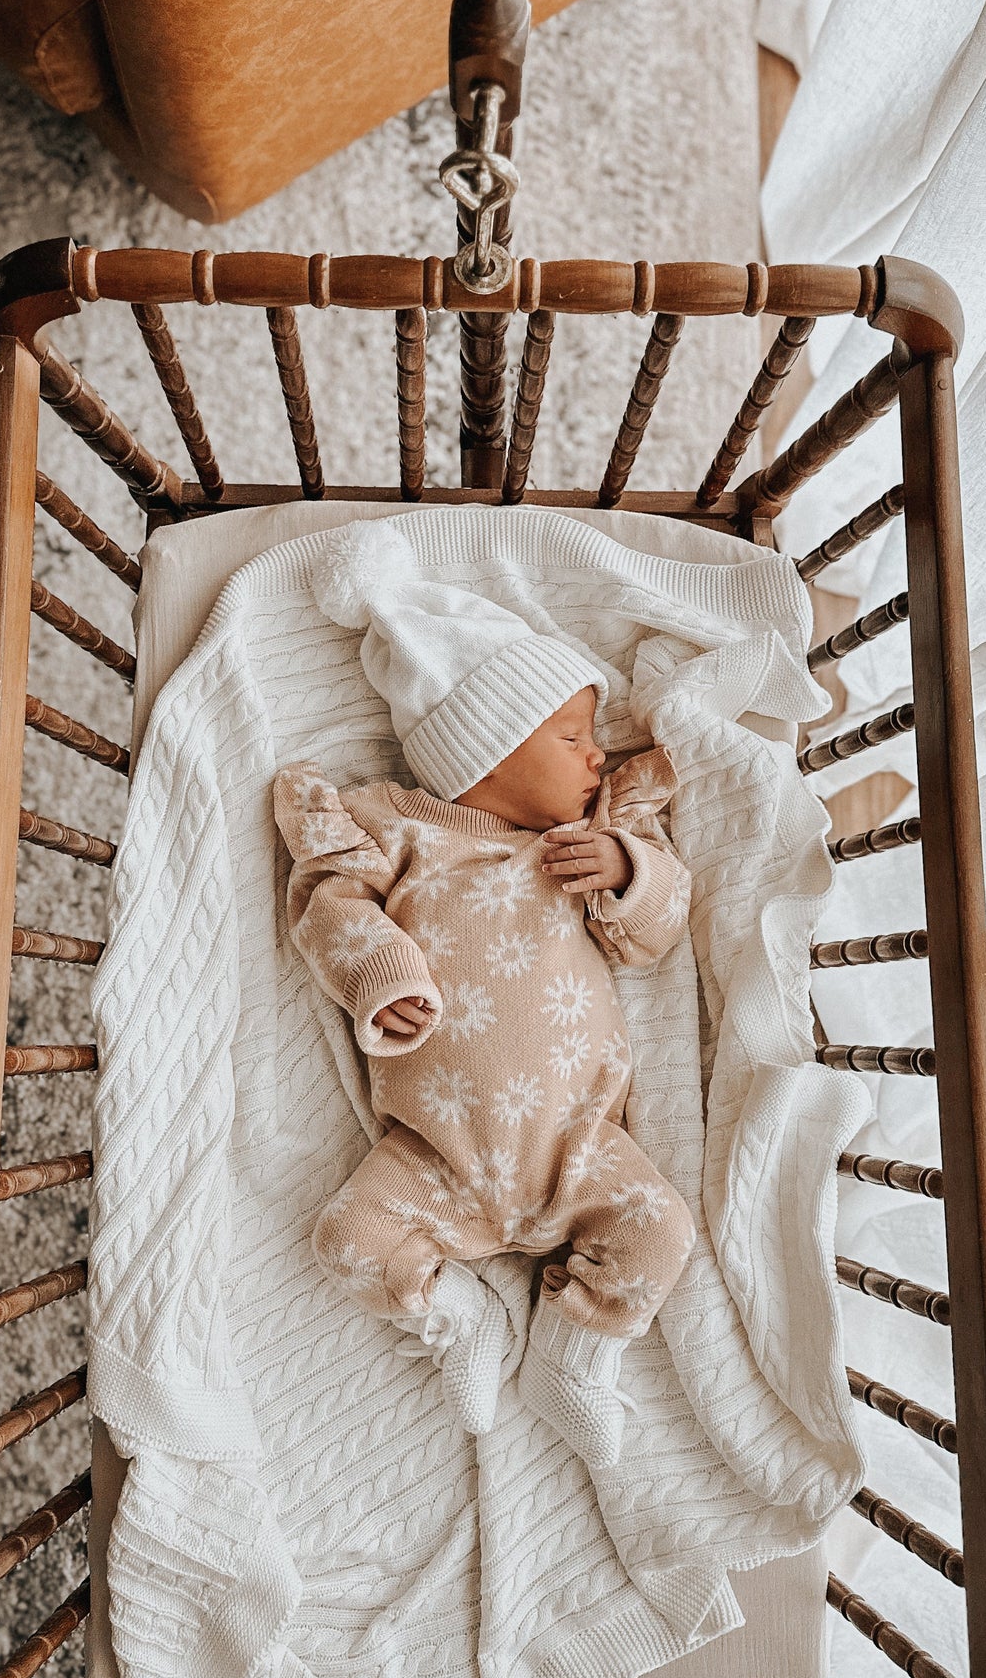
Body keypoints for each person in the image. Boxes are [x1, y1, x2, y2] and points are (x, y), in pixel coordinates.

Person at [272, 520, 696, 1468]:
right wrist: (378, 977)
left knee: (659, 1230)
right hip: (436, 1152)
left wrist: (629, 869)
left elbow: (657, 927)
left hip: (581, 1144)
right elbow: (329, 906)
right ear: (491, 755)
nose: (596, 758)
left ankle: (573, 1360)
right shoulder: (399, 833)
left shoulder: (583, 845)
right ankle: (451, 1314)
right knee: (345, 1239)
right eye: (573, 735)